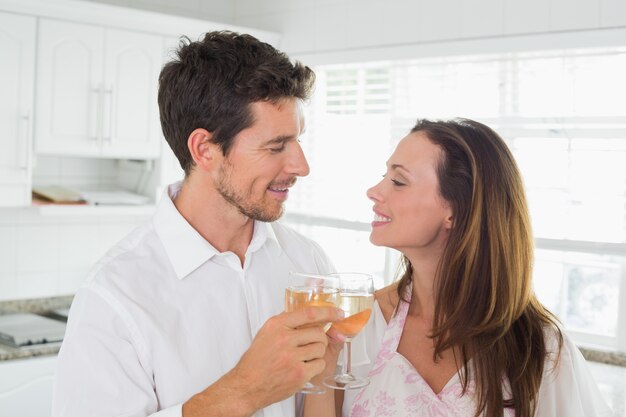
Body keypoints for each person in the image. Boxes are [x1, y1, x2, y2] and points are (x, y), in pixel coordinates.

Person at [53, 31, 345, 417]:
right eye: (276, 146)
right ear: (205, 150)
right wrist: (244, 391)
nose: (301, 167)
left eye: (297, 142)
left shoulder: (307, 262)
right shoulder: (114, 296)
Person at [304, 118, 613, 417]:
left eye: (398, 181)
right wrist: (321, 369)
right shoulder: (361, 326)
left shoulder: (541, 350)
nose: (374, 191)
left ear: (455, 210)